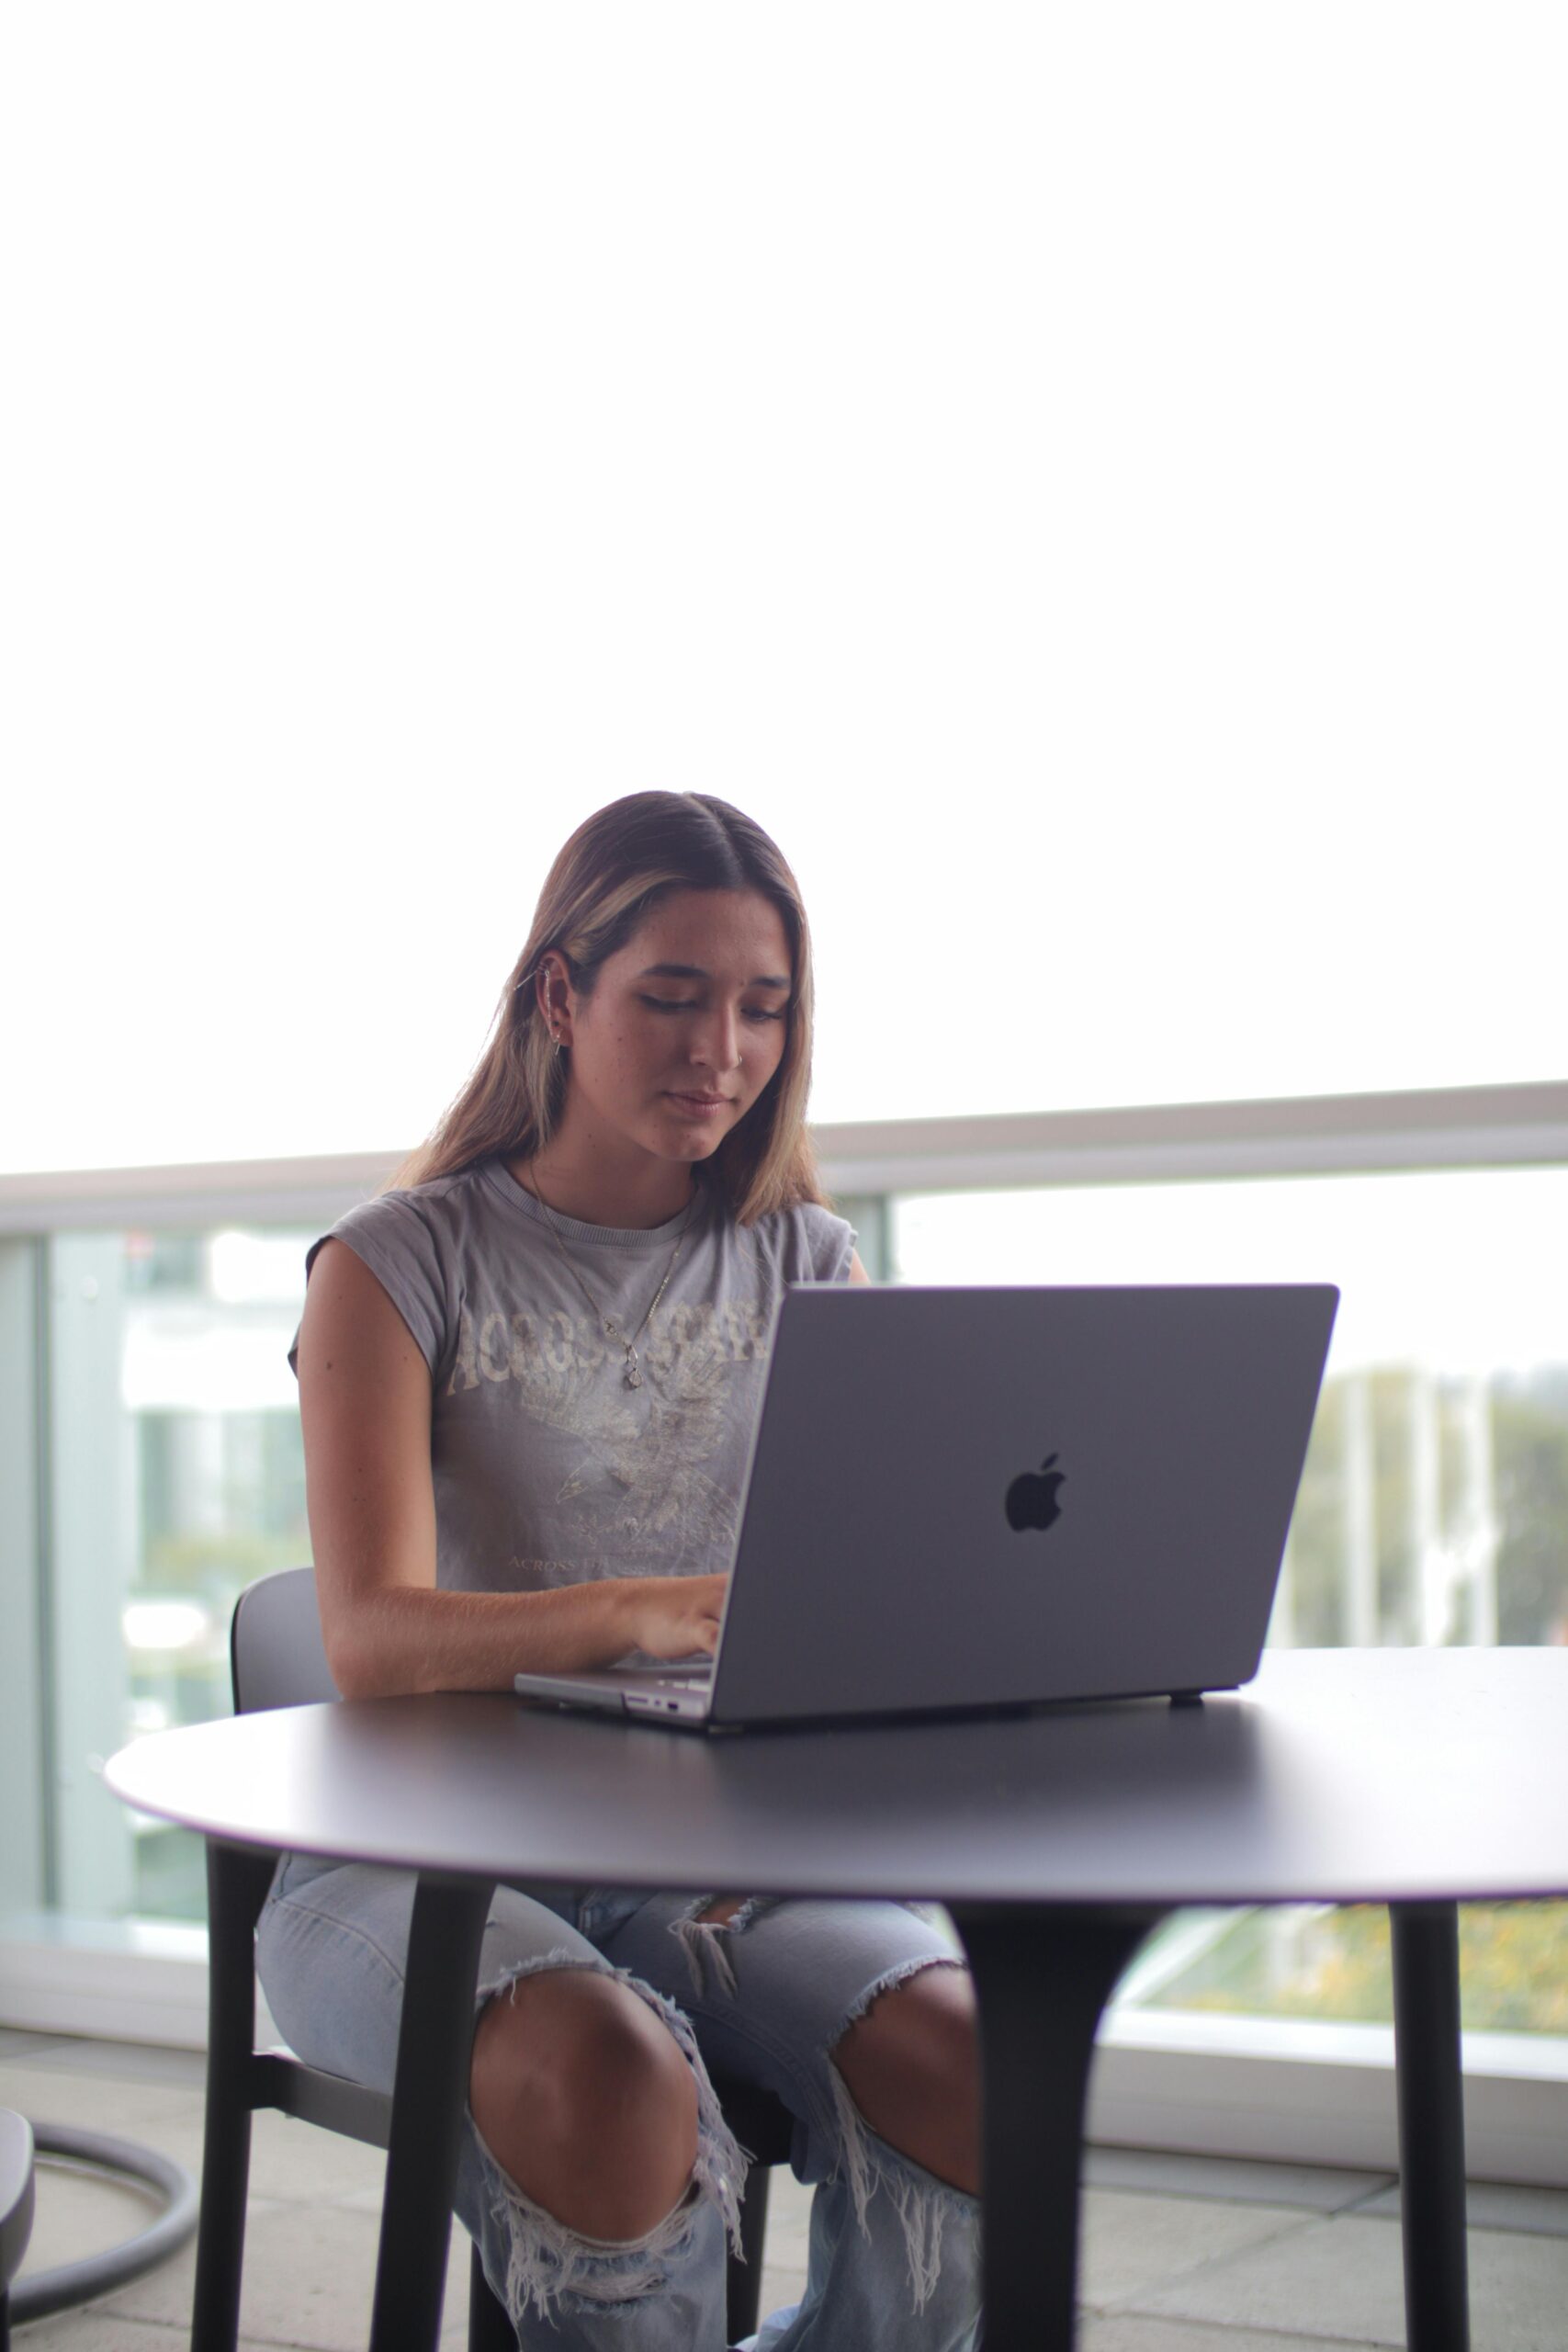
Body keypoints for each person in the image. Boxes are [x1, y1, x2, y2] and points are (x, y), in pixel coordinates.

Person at [257, 792, 982, 2349]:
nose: (720, 1046)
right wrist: (637, 1611)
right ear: (558, 997)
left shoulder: (812, 1265)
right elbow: (373, 1640)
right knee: (606, 2075)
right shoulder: (391, 1263)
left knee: (962, 2050)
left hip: (705, 1857)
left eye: (762, 1006)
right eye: (671, 995)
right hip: (409, 1864)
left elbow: (853, 1607)